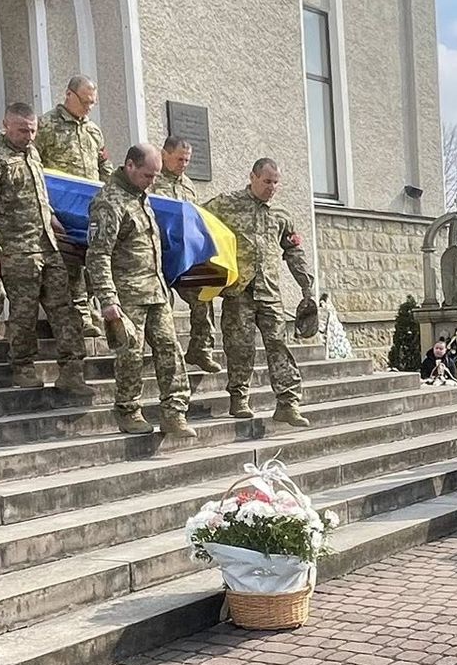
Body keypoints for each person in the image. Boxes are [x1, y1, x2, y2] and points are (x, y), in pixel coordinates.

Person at [0, 101, 92, 397]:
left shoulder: (34, 154)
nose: (28, 136)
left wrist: (55, 223)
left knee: (64, 309)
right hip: (16, 251)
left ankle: (71, 370)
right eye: (22, 130)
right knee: (24, 314)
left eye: (32, 131)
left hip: (47, 247)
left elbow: (40, 198)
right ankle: (23, 366)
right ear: (6, 125)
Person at [85, 144, 195, 439]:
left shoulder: (141, 196)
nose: (152, 181)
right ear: (129, 166)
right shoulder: (109, 202)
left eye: (156, 175)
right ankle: (128, 410)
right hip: (127, 294)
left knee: (170, 349)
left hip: (155, 291)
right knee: (131, 355)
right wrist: (107, 300)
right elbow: (98, 255)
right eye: (148, 175)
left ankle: (174, 413)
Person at [206, 158, 316, 427]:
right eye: (267, 181)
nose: (272, 187)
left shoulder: (281, 214)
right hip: (238, 291)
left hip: (269, 292)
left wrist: (306, 286)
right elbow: (198, 223)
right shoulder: (226, 203)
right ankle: (239, 398)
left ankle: (288, 403)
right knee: (239, 347)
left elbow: (294, 251)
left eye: (276, 182)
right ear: (253, 177)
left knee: (279, 345)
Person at [34, 74, 107, 340]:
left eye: (92, 104)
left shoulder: (93, 130)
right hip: (59, 209)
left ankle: (89, 307)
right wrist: (47, 211)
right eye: (85, 102)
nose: (88, 108)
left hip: (90, 209)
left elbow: (103, 168)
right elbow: (34, 167)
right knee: (70, 263)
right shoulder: (46, 126)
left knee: (92, 260)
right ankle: (82, 315)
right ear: (69, 95)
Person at [150, 135, 220, 373]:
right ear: (164, 154)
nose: (183, 164)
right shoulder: (151, 181)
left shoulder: (188, 185)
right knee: (161, 305)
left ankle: (200, 349)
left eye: (187, 160)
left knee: (203, 293)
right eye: (179, 158)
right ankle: (163, 352)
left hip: (184, 256)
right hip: (157, 254)